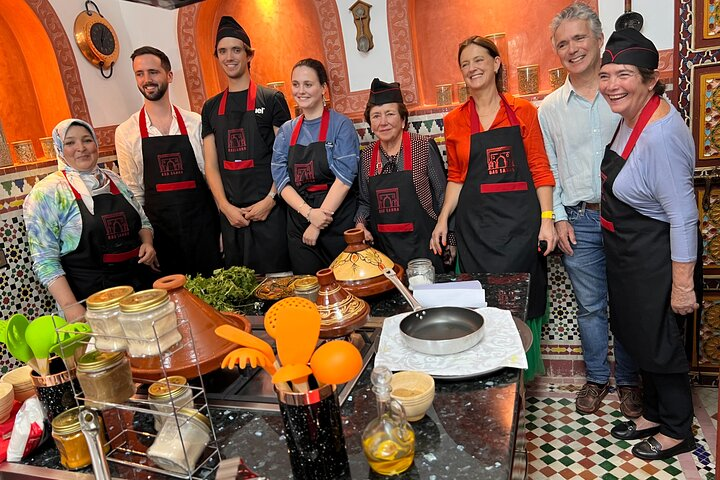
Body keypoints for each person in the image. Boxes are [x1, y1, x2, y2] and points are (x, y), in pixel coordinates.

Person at [430, 35, 557, 381]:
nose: (472, 68)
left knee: (521, 300)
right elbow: (456, 177)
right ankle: (488, 380)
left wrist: (548, 220)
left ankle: (519, 379)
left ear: (497, 63)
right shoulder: (454, 120)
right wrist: (443, 220)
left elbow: (539, 168)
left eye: (479, 60)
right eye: (465, 64)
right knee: (481, 302)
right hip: (475, 228)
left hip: (519, 226)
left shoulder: (522, 111)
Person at [599, 28, 699, 460]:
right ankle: (656, 412)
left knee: (660, 341)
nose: (611, 85)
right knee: (640, 336)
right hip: (627, 255)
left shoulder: (661, 135)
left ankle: (678, 428)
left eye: (623, 75)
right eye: (605, 75)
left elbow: (683, 216)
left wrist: (682, 285)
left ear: (649, 80)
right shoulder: (630, 118)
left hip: (654, 257)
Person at [539, 3, 641, 417]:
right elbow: (550, 166)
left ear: (600, 40)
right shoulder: (550, 108)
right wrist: (559, 216)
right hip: (579, 219)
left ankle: (631, 382)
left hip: (630, 217)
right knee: (591, 306)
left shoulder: (624, 92)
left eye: (579, 38)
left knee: (630, 301)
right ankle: (598, 379)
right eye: (562, 43)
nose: (572, 48)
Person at [23, 119, 158, 322]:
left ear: (96, 143)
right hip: (91, 303)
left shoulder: (114, 179)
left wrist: (147, 242)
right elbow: (45, 261)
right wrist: (72, 308)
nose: (81, 148)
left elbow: (143, 221)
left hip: (138, 293)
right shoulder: (48, 192)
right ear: (60, 148)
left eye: (87, 140)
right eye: (70, 143)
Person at [115, 46, 221, 277]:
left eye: (153, 72)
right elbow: (134, 196)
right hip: (162, 239)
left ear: (169, 75)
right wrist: (147, 242)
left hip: (204, 231)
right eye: (139, 74)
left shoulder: (196, 123)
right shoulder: (126, 132)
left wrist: (223, 231)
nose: (147, 80)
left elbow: (212, 179)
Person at [201, 16, 291, 274]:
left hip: (271, 214)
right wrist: (225, 207)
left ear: (249, 55)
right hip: (233, 219)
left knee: (280, 289)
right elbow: (211, 166)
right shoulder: (210, 108)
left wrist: (270, 200)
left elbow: (285, 158)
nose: (229, 57)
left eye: (236, 50)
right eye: (223, 51)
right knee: (242, 296)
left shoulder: (272, 99)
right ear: (217, 57)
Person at [271, 58, 359, 275]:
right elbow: (281, 180)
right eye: (296, 84)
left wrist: (318, 222)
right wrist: (310, 215)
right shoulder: (286, 131)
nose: (301, 91)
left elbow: (345, 178)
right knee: (309, 292)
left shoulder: (341, 125)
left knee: (346, 289)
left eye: (308, 84)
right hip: (300, 222)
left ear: (323, 89)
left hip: (337, 222)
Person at [354, 78, 450, 271]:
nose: (383, 122)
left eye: (390, 114)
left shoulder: (422, 146)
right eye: (376, 116)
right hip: (385, 252)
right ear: (370, 124)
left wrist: (452, 239)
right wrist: (360, 225)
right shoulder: (367, 157)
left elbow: (442, 195)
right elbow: (365, 202)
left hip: (426, 245)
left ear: (403, 119)